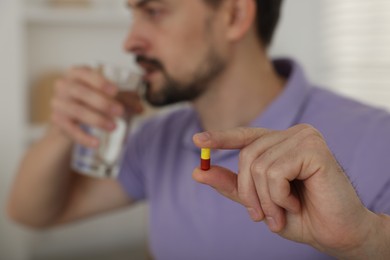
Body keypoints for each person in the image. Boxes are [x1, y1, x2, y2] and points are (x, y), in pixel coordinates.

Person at [6, 0, 390, 259]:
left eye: (153, 11)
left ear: (234, 16)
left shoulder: (379, 138)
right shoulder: (156, 139)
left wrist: (368, 238)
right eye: (132, 14)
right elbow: (30, 212)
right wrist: (62, 129)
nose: (129, 41)